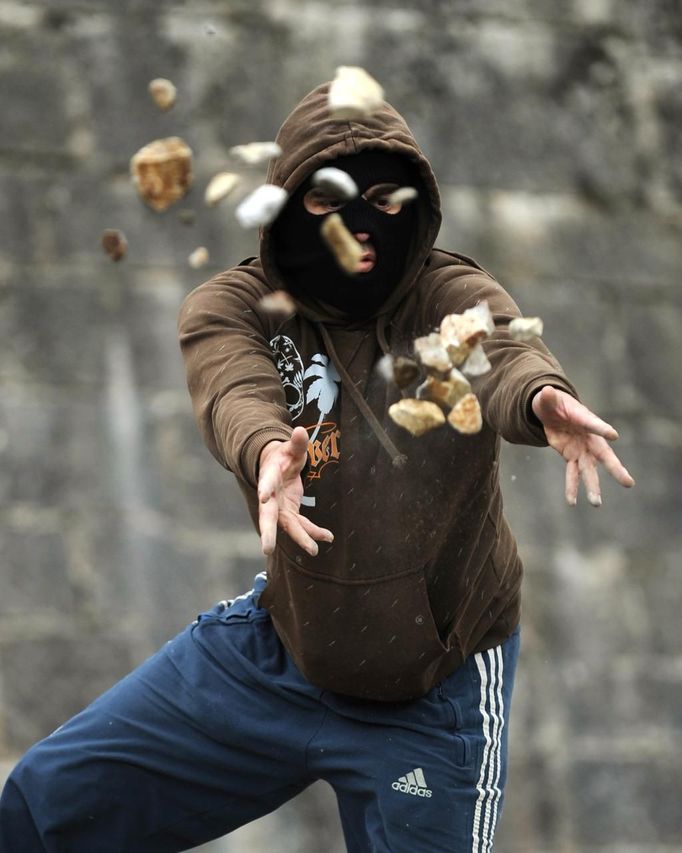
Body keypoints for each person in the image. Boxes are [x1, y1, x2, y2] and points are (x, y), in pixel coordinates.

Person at [0, 81, 634, 852]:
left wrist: (541, 398)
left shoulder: (443, 292)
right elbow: (232, 385)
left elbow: (499, 345)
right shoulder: (234, 304)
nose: (361, 227)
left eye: (384, 202)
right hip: (282, 652)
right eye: (331, 201)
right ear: (288, 204)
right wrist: (268, 448)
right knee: (39, 808)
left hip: (434, 691)